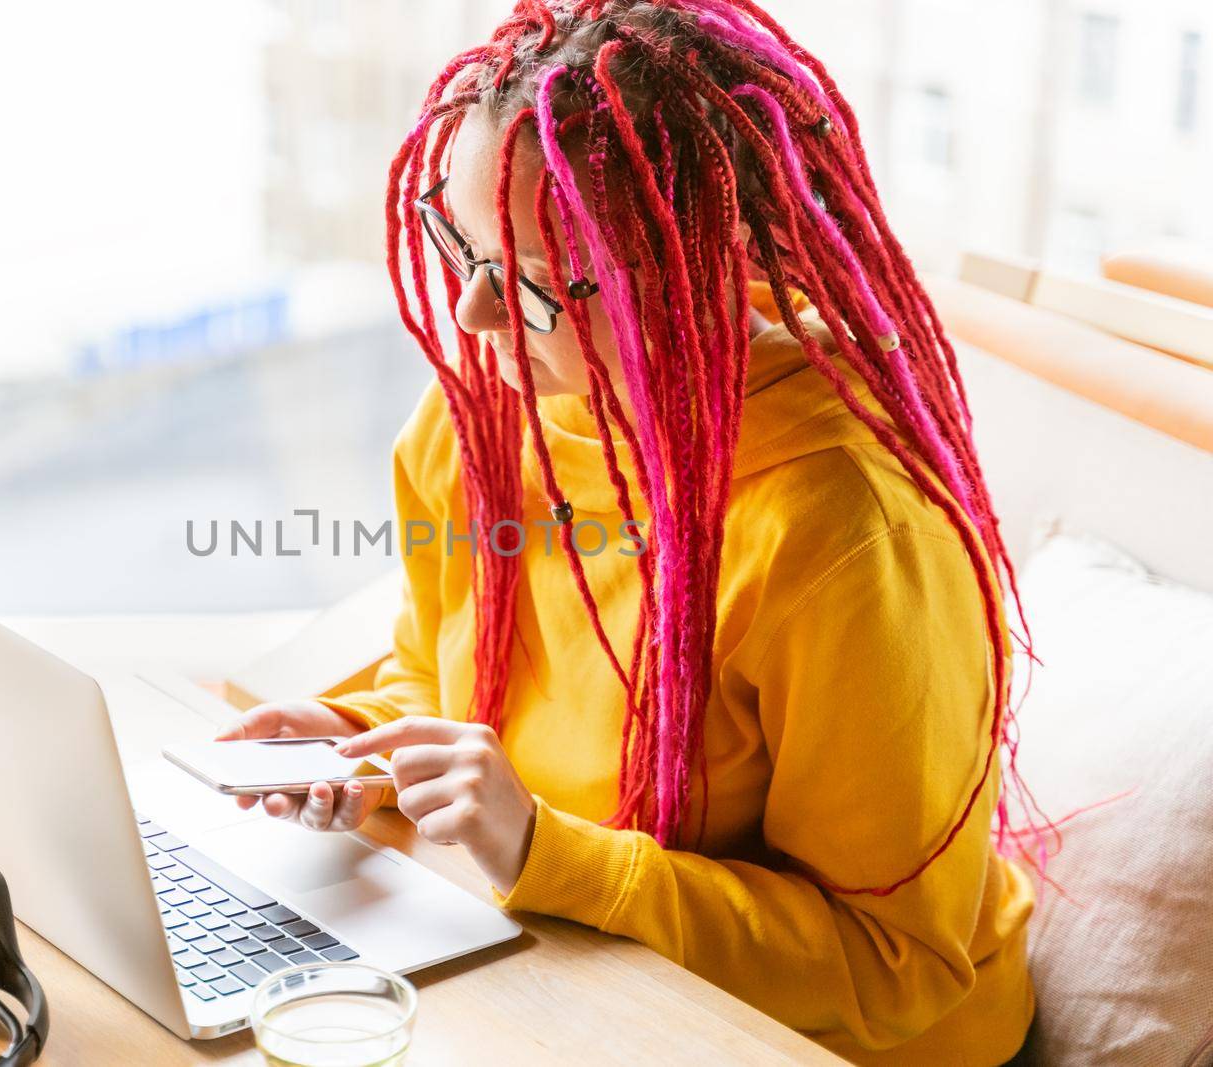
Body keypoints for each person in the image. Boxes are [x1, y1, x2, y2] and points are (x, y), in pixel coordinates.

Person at [216, 3, 1049, 1062]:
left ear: (694, 267)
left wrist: (542, 848)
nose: (471, 314)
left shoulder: (846, 530)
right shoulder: (475, 417)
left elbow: (894, 967)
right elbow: (451, 678)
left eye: (528, 281)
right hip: (559, 953)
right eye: (458, 241)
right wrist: (367, 741)